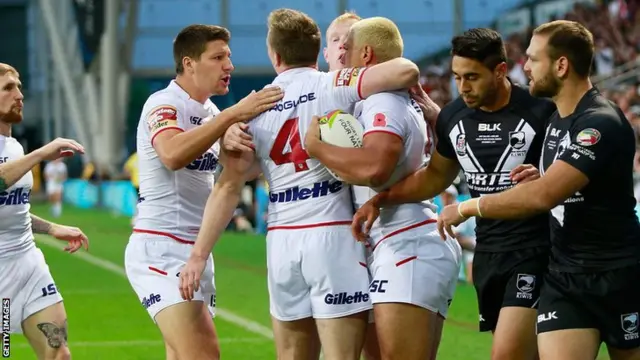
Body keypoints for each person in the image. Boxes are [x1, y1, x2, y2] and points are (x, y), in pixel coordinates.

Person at [178, 8, 421, 360]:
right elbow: (405, 70)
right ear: (318, 49)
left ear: (274, 55)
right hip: (333, 236)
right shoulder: (332, 84)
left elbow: (228, 187)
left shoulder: (256, 105)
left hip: (282, 242)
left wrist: (198, 256)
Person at [438, 20, 640, 360]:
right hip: (564, 279)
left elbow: (545, 196)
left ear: (561, 65)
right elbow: (557, 186)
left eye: (533, 59)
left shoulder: (599, 122)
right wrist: (543, 174)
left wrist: (466, 208)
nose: (525, 67)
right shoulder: (556, 121)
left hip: (619, 276)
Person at [351, 28, 555, 360]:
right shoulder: (453, 117)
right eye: (458, 77)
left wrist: (545, 176)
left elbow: (568, 175)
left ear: (500, 71)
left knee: (507, 354)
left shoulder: (540, 113)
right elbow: (434, 176)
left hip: (535, 251)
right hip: (489, 255)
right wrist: (381, 199)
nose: (463, 87)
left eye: (472, 77)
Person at [303, 17, 461, 360]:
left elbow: (375, 168)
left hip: (408, 242)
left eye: (350, 47)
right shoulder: (379, 101)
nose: (343, 55)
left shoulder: (383, 101)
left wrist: (317, 148)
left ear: (368, 54)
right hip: (401, 242)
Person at [122, 24, 283, 360]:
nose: (229, 66)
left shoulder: (209, 112)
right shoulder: (163, 103)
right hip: (160, 250)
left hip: (196, 251)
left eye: (229, 57)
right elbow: (172, 154)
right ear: (189, 63)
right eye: (218, 57)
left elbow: (235, 175)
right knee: (204, 354)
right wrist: (231, 116)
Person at [0, 63, 89, 360]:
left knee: (58, 353)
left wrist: (51, 228)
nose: (19, 94)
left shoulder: (14, 147)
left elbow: (13, 208)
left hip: (27, 265)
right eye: (8, 88)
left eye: (19, 86)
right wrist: (41, 153)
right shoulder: (27, 155)